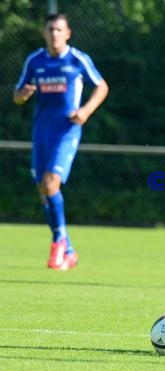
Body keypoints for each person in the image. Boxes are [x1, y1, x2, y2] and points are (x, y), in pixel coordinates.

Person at [13, 13, 109, 271]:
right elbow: (17, 95)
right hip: (40, 133)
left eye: (59, 30)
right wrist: (22, 95)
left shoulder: (77, 59)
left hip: (66, 132)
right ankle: (68, 250)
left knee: (50, 182)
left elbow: (101, 86)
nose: (54, 34)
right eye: (50, 30)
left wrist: (86, 111)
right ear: (44, 33)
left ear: (68, 34)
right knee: (43, 192)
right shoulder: (35, 60)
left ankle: (58, 240)